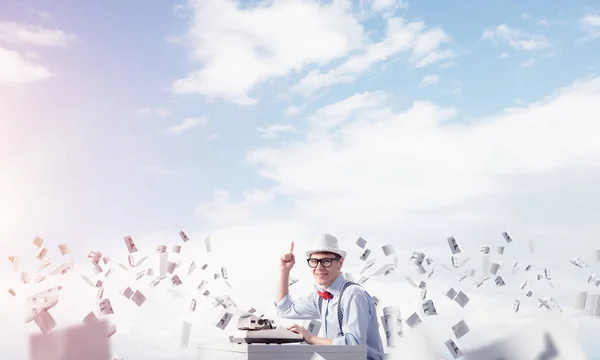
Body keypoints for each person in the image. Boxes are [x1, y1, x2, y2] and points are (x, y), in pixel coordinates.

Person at [274, 234, 384, 360]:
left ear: (340, 263)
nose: (319, 268)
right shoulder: (319, 297)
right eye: (314, 261)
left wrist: (311, 338)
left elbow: (354, 346)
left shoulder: (353, 294)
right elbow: (284, 309)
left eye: (326, 261)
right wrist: (284, 271)